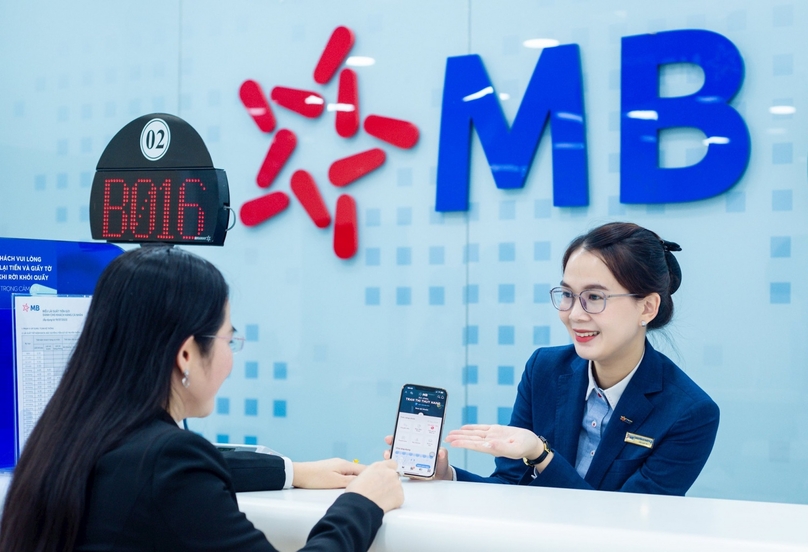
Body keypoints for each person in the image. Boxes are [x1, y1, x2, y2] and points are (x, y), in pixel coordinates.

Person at [0, 246, 403, 552]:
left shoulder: (67, 435)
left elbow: (193, 469)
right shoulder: (169, 461)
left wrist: (292, 471)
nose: (230, 357)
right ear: (187, 354)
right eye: (229, 338)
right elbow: (178, 473)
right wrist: (361, 503)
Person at [440, 222, 720, 495]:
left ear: (647, 307)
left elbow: (624, 528)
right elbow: (511, 485)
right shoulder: (544, 370)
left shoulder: (689, 413)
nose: (574, 314)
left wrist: (542, 456)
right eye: (568, 295)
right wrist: (448, 477)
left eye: (595, 297)